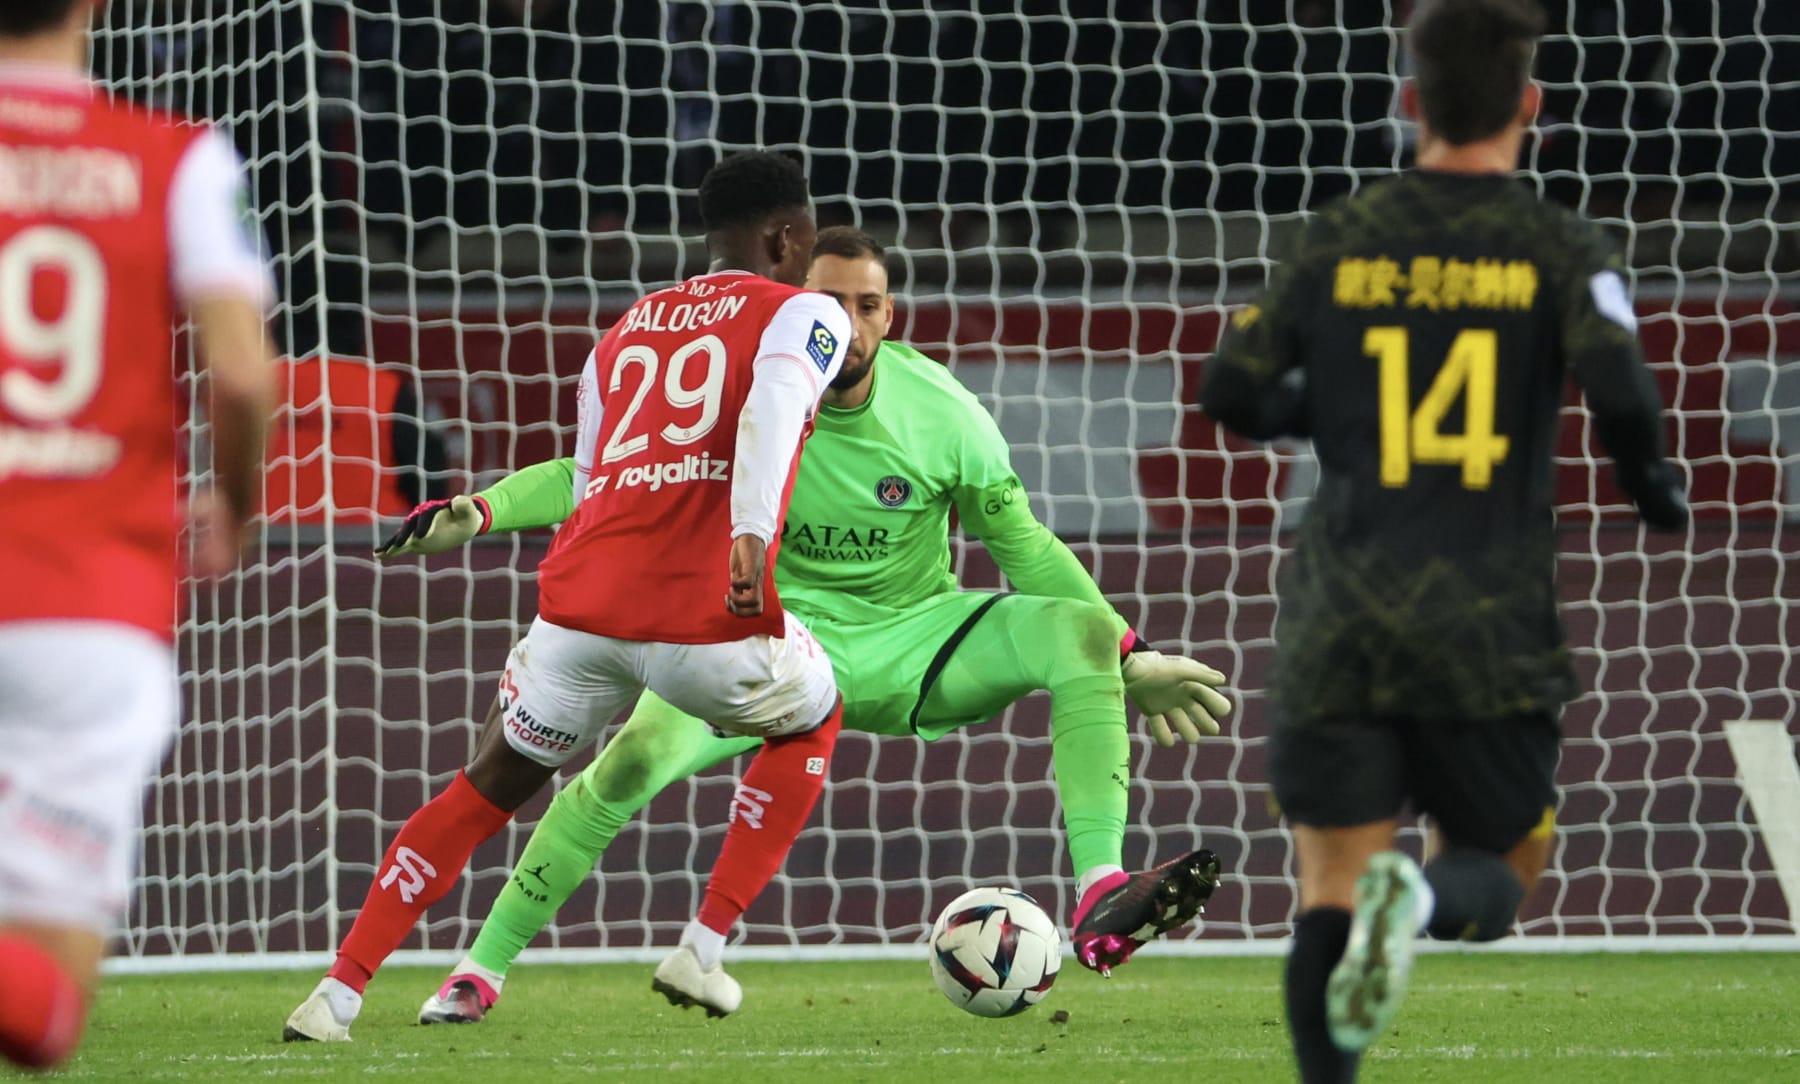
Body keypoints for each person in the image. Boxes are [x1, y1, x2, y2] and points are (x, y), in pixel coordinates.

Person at [379, 226, 1234, 1026]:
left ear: (888, 315)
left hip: (913, 641)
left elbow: (1026, 546)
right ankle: (481, 969)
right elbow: (592, 473)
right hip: (760, 643)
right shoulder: (752, 393)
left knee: (1078, 633)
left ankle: (1099, 891)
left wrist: (1131, 652)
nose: (850, 325)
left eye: (868, 306)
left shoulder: (944, 412)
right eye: (832, 304)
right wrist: (486, 507)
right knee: (625, 763)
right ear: (800, 304)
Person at [1198, 2, 1688, 1081]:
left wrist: (1321, 411)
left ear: (1408, 102)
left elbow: (1228, 387)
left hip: (1343, 618)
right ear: (1533, 106)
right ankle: (1417, 898)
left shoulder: (1340, 236)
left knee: (1327, 885)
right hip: (1488, 624)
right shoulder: (1556, 245)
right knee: (1500, 869)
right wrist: (1653, 489)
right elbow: (1627, 394)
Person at [282, 150, 852, 1040]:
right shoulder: (801, 310)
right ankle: (704, 943)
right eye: (808, 243)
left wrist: (485, 509)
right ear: (786, 236)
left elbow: (590, 484)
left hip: (581, 611)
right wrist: (749, 530)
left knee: (487, 784)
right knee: (813, 715)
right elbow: (775, 404)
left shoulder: (624, 330)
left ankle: (340, 989)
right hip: (705, 619)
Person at [0, 0, 275, 1068]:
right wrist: (239, 504)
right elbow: (245, 371)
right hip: (93, 611)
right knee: (42, 1021)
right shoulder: (178, 159)